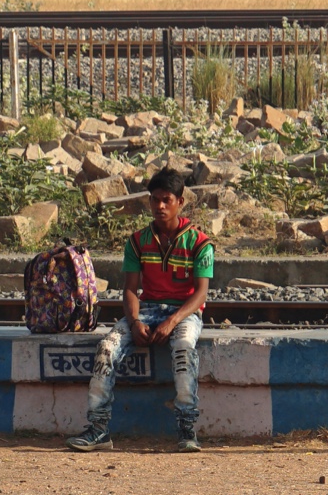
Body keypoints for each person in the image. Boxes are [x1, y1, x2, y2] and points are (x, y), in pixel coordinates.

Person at [67, 168, 213, 454]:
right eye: (155, 200)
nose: (159, 206)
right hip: (145, 310)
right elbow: (131, 289)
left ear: (180, 202)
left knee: (183, 347)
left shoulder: (199, 242)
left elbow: (201, 293)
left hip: (183, 314)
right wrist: (134, 322)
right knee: (107, 348)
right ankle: (98, 429)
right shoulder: (137, 241)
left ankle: (187, 429)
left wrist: (172, 321)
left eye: (166, 200)